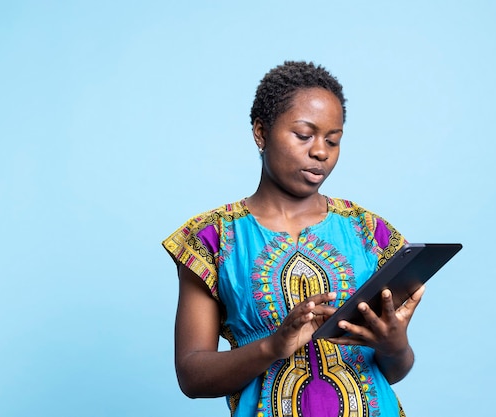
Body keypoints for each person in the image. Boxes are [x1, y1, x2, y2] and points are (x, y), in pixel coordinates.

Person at [162, 61, 425, 417]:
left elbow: (394, 370)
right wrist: (273, 346)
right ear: (261, 132)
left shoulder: (369, 232)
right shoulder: (212, 239)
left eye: (333, 140)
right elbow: (192, 377)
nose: (321, 152)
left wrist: (395, 345)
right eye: (304, 135)